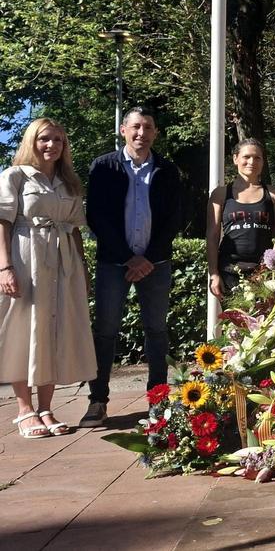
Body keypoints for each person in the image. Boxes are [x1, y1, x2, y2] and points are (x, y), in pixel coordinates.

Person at [82, 106, 183, 427]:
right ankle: (98, 401)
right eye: (136, 127)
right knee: (105, 331)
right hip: (114, 263)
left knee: (157, 331)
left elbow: (175, 218)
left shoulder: (168, 170)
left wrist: (148, 257)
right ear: (123, 130)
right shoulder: (103, 166)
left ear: (155, 132)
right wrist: (128, 256)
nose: (142, 133)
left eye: (148, 127)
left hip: (156, 264)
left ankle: (158, 401)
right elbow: (96, 216)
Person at [0, 119, 95, 438]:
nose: (51, 145)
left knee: (54, 331)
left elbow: (75, 230)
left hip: (63, 262)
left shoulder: (69, 183)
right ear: (32, 141)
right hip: (26, 258)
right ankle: (24, 410)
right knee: (22, 330)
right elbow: (2, 222)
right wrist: (5, 267)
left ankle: (45, 408)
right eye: (44, 138)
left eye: (58, 140)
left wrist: (82, 269)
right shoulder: (15, 176)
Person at [206, 138, 275, 298]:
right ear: (235, 158)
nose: (252, 162)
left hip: (264, 272)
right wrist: (214, 273)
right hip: (229, 272)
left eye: (257, 158)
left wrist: (271, 261)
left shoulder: (273, 194)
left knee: (267, 314)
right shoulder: (220, 194)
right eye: (247, 157)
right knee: (234, 315)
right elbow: (212, 236)